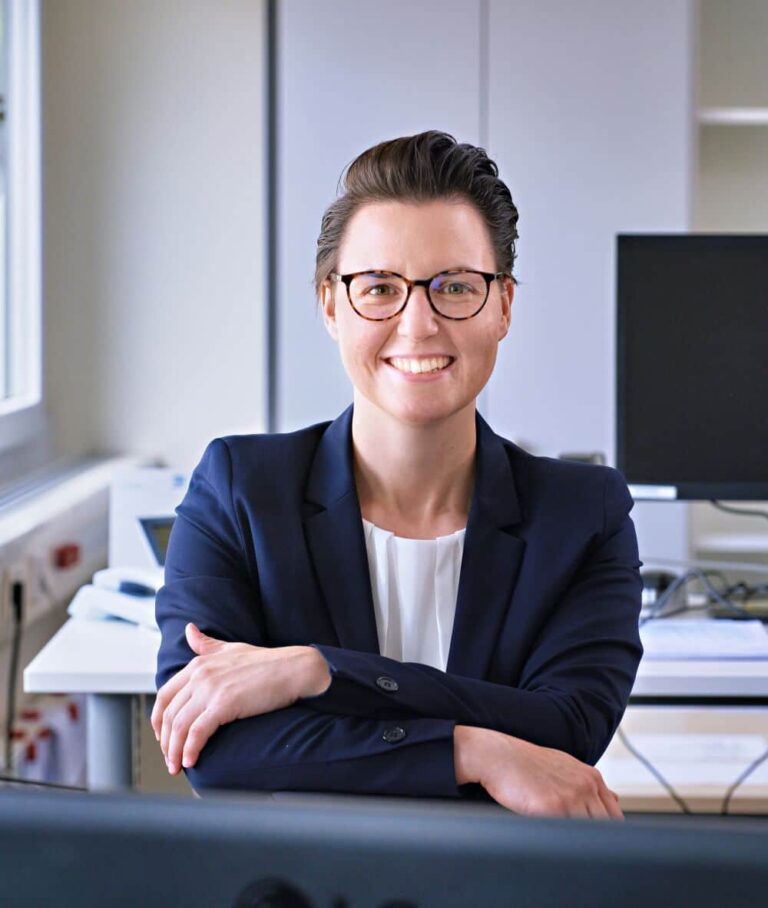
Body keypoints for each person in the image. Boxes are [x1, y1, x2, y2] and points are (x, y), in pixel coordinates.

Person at [151, 130, 642, 819]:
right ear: (330, 304)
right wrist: (477, 749)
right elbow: (214, 748)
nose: (418, 325)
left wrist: (317, 672)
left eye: (456, 287)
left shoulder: (583, 514)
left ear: (503, 305)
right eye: (379, 287)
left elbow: (568, 729)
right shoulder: (239, 489)